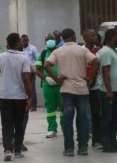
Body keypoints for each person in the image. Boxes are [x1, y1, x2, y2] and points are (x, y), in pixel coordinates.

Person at [44, 28, 99, 156]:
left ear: (62, 38)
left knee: (67, 120)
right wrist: (90, 77)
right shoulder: (82, 50)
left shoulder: (58, 51)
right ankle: (83, 147)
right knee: (83, 119)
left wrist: (57, 80)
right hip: (82, 90)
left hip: (66, 90)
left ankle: (69, 149)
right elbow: (96, 61)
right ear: (74, 36)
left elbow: (47, 65)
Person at [0, 33, 31, 162]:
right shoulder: (24, 58)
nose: (22, 43)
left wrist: (0, 82)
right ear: (16, 43)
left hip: (4, 96)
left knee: (6, 124)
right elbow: (27, 79)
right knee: (19, 124)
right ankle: (17, 150)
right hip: (19, 97)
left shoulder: (0, 57)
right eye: (21, 42)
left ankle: (7, 150)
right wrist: (29, 97)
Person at [99, 28, 117, 153]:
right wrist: (109, 91)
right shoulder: (105, 52)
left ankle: (113, 142)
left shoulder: (114, 51)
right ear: (113, 37)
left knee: (115, 117)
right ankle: (106, 143)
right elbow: (105, 73)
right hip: (109, 92)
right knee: (107, 118)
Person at [35, 33, 63, 138]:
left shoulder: (61, 52)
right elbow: (37, 70)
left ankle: (65, 128)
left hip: (61, 84)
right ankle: (52, 129)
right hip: (48, 85)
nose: (50, 41)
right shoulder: (42, 54)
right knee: (50, 109)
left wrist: (60, 77)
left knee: (63, 107)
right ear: (45, 41)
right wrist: (46, 78)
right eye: (48, 40)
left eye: (52, 39)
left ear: (56, 41)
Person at [82, 29, 102, 148]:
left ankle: (96, 140)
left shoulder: (99, 51)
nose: (95, 37)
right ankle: (82, 140)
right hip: (81, 87)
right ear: (85, 37)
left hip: (96, 88)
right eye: (92, 35)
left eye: (95, 34)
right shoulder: (80, 51)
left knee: (96, 114)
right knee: (82, 114)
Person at [21, 34, 38, 111]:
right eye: (22, 41)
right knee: (23, 88)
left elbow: (37, 60)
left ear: (28, 40)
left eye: (25, 41)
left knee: (31, 88)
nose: (23, 43)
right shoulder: (20, 49)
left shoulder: (32, 48)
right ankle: (25, 104)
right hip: (22, 72)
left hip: (31, 72)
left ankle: (33, 105)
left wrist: (33, 68)